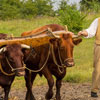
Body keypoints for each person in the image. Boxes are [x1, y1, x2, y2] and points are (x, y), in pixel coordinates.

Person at [78, 17, 100, 98]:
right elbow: (90, 31)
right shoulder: (98, 21)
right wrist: (84, 32)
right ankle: (94, 90)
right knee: (98, 70)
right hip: (99, 46)